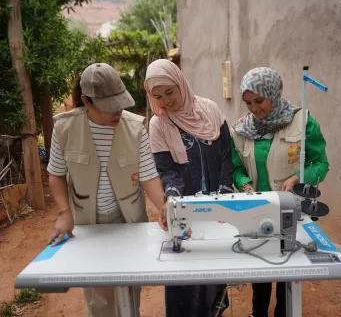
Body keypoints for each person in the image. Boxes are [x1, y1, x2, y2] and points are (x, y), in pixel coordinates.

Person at [47, 63, 166, 317]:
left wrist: (165, 207)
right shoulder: (64, 128)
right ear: (86, 101)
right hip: (87, 223)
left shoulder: (135, 128)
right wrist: (63, 212)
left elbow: (148, 176)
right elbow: (56, 174)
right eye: (109, 107)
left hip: (129, 220)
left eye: (120, 104)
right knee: (98, 296)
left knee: (129, 292)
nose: (117, 113)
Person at [230, 67, 329, 317]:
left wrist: (299, 178)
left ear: (273, 94)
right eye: (248, 102)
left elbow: (321, 164)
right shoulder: (241, 129)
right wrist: (243, 183)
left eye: (259, 101)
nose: (254, 108)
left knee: (287, 272)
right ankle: (258, 312)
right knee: (261, 270)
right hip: (258, 210)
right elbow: (235, 168)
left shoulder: (302, 121)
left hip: (291, 209)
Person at [144, 59, 233, 317]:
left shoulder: (210, 110)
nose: (166, 101)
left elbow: (227, 154)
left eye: (170, 92)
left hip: (218, 207)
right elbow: (167, 169)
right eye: (157, 96)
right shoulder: (158, 124)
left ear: (180, 83)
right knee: (184, 272)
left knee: (215, 266)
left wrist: (225, 193)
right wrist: (171, 197)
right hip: (185, 209)